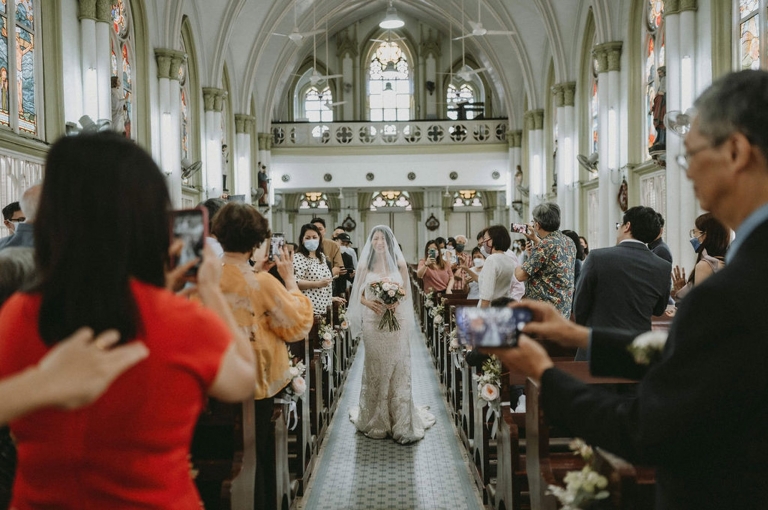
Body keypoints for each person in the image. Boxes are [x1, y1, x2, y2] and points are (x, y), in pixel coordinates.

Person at [484, 70, 768, 509]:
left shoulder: (732, 292)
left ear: (735, 151)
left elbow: (645, 431)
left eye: (690, 153)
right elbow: (697, 362)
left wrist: (544, 373)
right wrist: (580, 337)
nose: (687, 169)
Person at [0, 132, 255, 509]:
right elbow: (243, 380)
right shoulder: (180, 321)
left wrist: (40, 383)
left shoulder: (20, 312)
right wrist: (210, 292)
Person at [212, 202, 313, 510]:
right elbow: (297, 327)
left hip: (211, 387)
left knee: (218, 457)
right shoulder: (263, 282)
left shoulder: (203, 278)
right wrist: (291, 282)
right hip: (254, 387)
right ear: (257, 242)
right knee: (258, 460)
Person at [346, 226, 435, 444]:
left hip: (397, 322)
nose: (379, 242)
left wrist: (395, 301)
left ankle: (401, 418)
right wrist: (369, 302)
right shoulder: (365, 266)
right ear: (371, 242)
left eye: (383, 239)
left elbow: (406, 293)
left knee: (398, 365)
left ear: (389, 242)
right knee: (376, 365)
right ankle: (376, 418)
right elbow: (358, 295)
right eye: (375, 238)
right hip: (373, 321)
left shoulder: (401, 265)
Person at [571, 206, 671, 361]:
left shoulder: (597, 258)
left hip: (598, 345)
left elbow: (580, 305)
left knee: (593, 385)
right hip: (638, 350)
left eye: (619, 225)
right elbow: (659, 310)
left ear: (627, 226)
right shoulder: (662, 266)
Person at [514, 202, 576, 317]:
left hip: (545, 312)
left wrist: (516, 264)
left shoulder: (545, 246)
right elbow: (552, 255)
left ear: (537, 225)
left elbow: (520, 276)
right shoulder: (568, 241)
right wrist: (535, 239)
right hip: (563, 309)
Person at [671, 212, 730, 301]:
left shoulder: (705, 266)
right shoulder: (726, 260)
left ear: (705, 235)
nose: (694, 236)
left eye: (695, 232)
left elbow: (699, 305)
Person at [294, 223, 333, 316]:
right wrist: (317, 284)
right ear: (302, 240)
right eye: (308, 238)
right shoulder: (298, 257)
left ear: (319, 239)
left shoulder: (322, 257)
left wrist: (331, 299)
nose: (311, 240)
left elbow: (326, 285)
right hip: (306, 310)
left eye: (314, 237)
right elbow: (295, 282)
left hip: (323, 309)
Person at [477, 225, 518, 307]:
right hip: (503, 307)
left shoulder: (491, 259)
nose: (483, 243)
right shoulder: (508, 260)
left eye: (485, 239)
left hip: (490, 308)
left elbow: (486, 294)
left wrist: (481, 316)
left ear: (492, 240)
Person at [0, 184, 40, 251]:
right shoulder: (2, 247)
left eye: (29, 218)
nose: (27, 222)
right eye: (21, 219)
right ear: (7, 223)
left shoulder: (40, 245)